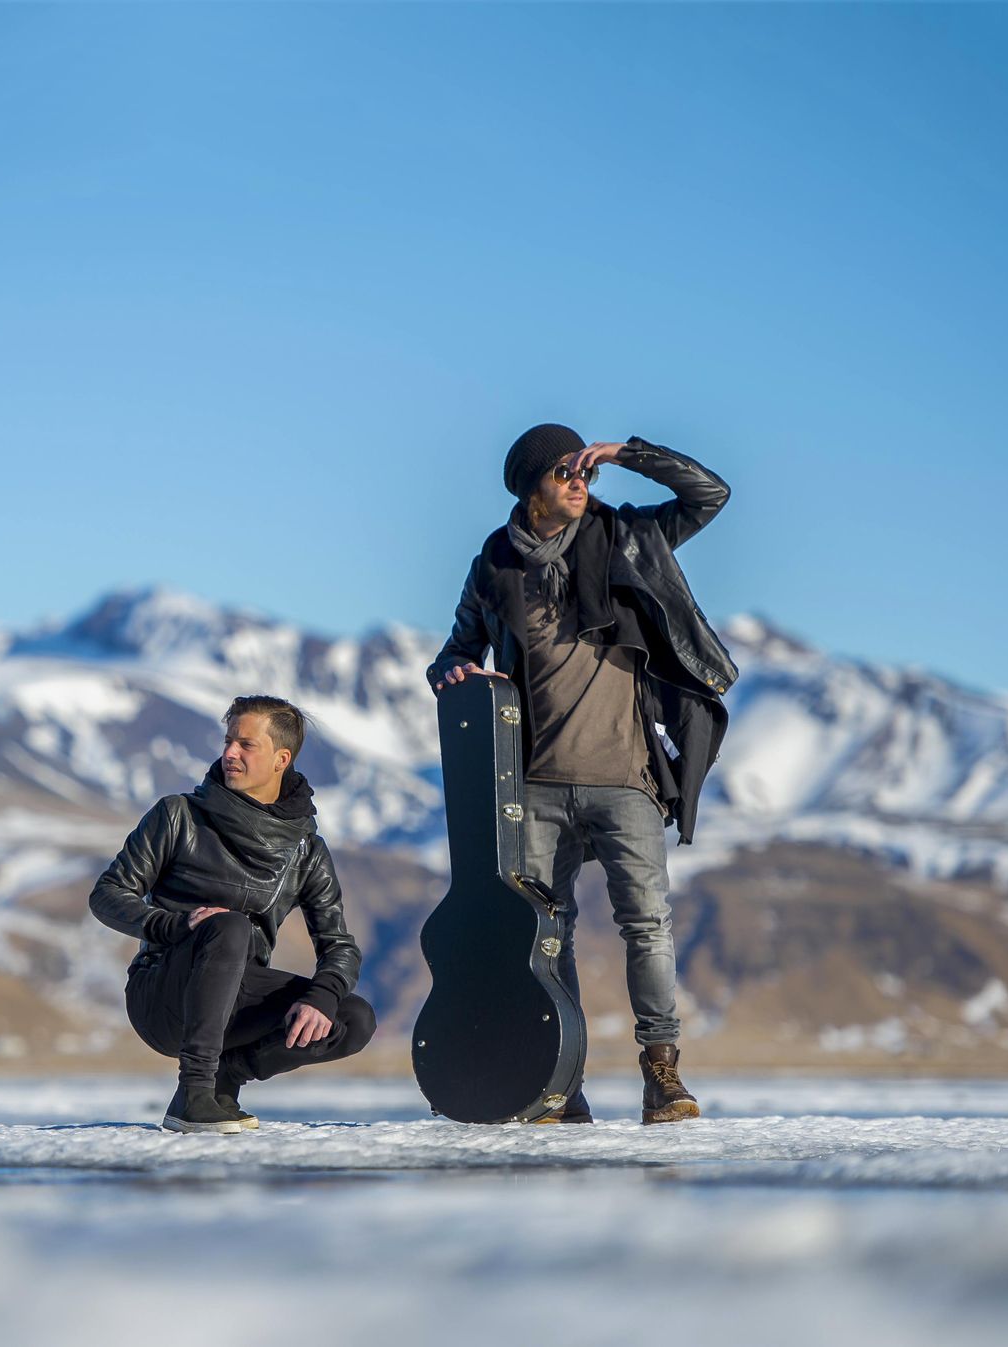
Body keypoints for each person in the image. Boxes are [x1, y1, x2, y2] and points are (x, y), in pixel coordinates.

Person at [427, 424, 736, 1124]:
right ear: (529, 486)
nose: (580, 484)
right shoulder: (496, 562)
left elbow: (710, 494)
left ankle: (663, 1072)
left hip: (624, 776)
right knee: (544, 934)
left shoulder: (624, 536)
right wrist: (453, 671)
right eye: (564, 473)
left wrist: (629, 454)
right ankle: (558, 1081)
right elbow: (453, 649)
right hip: (532, 785)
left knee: (647, 925)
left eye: (585, 474)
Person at [89, 695, 377, 1134]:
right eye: (228, 741)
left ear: (282, 759)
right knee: (228, 925)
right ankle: (194, 1093)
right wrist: (172, 924)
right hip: (163, 996)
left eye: (246, 745)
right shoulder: (178, 815)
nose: (229, 753)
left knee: (352, 1018)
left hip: (236, 1002)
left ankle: (230, 1076)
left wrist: (323, 996)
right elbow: (108, 893)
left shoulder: (305, 851)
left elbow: (339, 947)